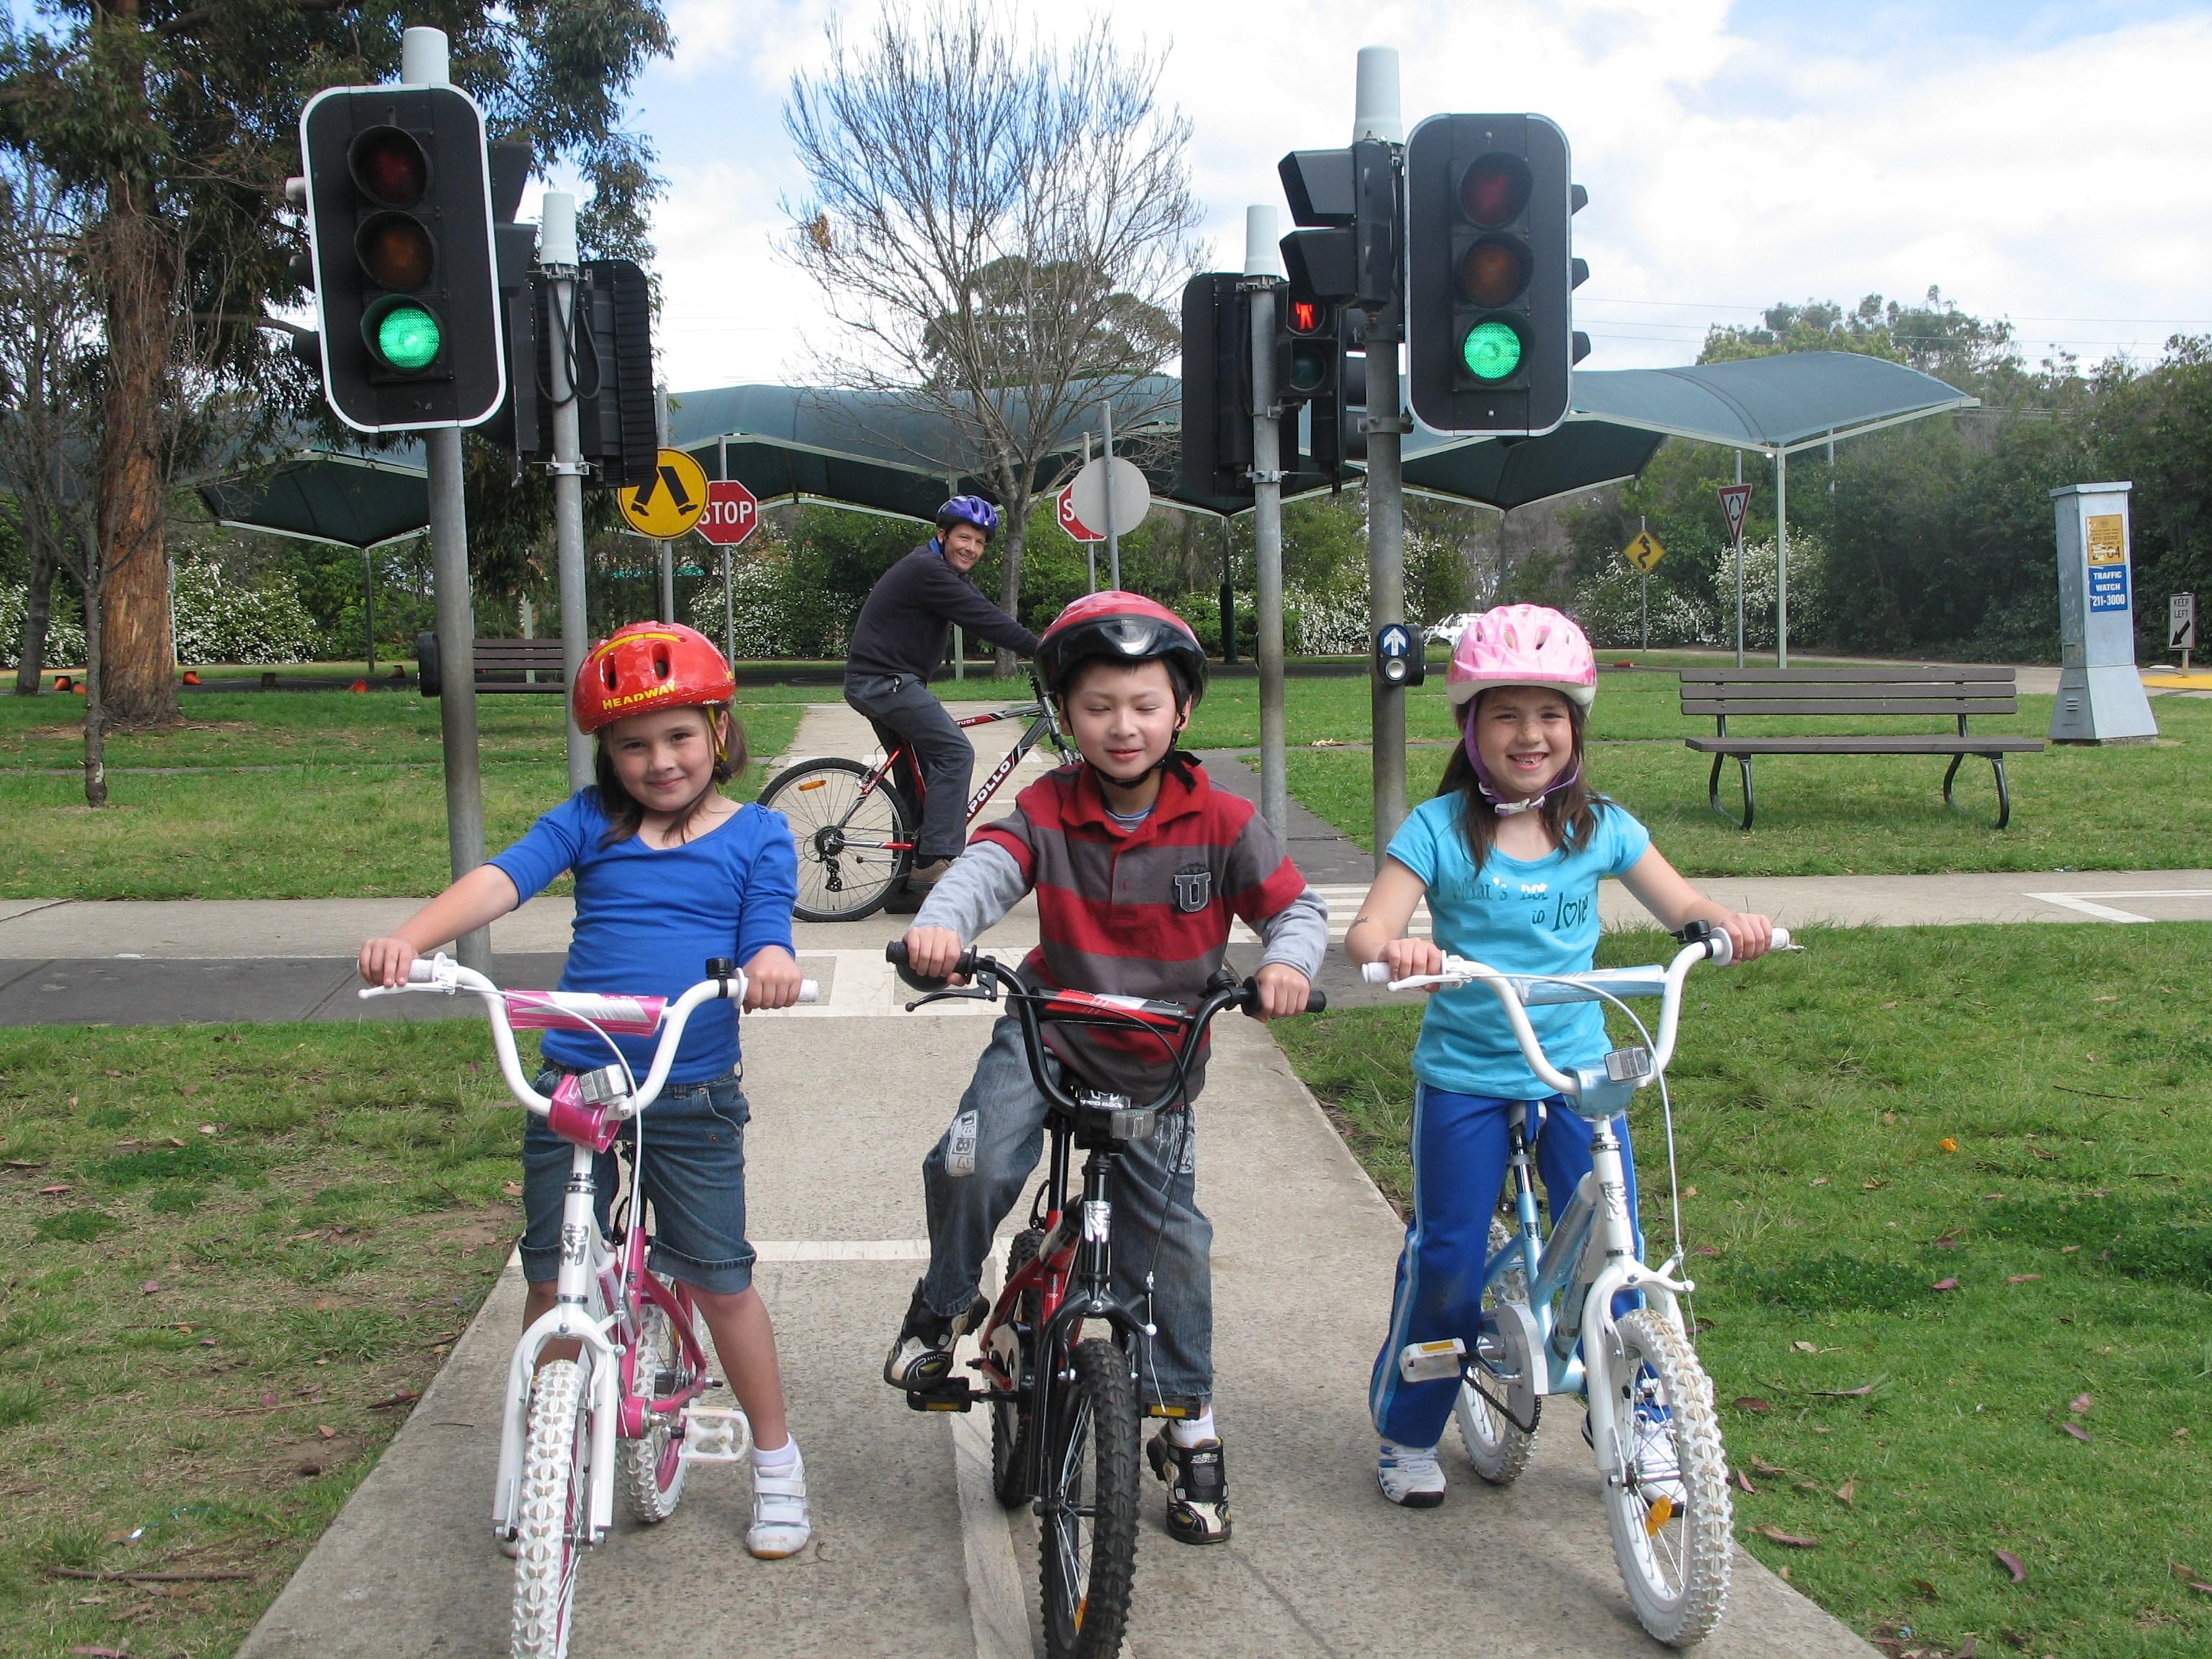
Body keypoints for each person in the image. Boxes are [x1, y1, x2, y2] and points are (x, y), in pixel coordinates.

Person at [359, 621, 815, 1559]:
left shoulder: (760, 834)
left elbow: (768, 924)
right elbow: (501, 880)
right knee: (551, 1277)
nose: (660, 760)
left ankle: (777, 1464)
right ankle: (548, 1455)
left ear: (721, 731)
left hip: (685, 1092)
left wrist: (769, 963)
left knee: (721, 1280)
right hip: (578, 1084)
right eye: (633, 743)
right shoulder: (586, 823)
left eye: (681, 736)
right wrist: (416, 936)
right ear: (606, 751)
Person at [884, 592, 1327, 1545]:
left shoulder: (1223, 820)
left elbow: (1295, 911)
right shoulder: (1048, 806)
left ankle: (1188, 1420)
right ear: (1064, 715)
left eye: (1144, 705)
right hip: (1048, 1031)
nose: (1122, 726)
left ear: (1183, 713)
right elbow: (987, 868)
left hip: (1159, 1061)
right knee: (969, 1161)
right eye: (1096, 707)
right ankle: (945, 1303)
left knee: (1170, 1249)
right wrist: (940, 925)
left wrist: (1286, 964)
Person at [1341, 604, 1773, 1509]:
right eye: (1506, 714)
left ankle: (1647, 1417)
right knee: (1451, 1256)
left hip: (1579, 1071)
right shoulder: (1437, 828)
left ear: (1576, 726)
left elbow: (1680, 901)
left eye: (1550, 715)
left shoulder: (1601, 827)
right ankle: (1409, 1430)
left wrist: (1723, 926)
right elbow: (1371, 927)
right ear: (1471, 727)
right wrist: (1399, 946)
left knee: (1622, 1249)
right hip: (1466, 1072)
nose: (1529, 735)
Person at [844, 495, 1041, 911]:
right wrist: (1045, 649)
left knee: (918, 775)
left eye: (980, 542)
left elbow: (984, 611)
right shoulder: (927, 570)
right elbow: (984, 619)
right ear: (942, 535)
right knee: (954, 752)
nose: (971, 547)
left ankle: (906, 886)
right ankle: (935, 859)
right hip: (884, 683)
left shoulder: (944, 573)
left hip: (885, 681)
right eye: (964, 537)